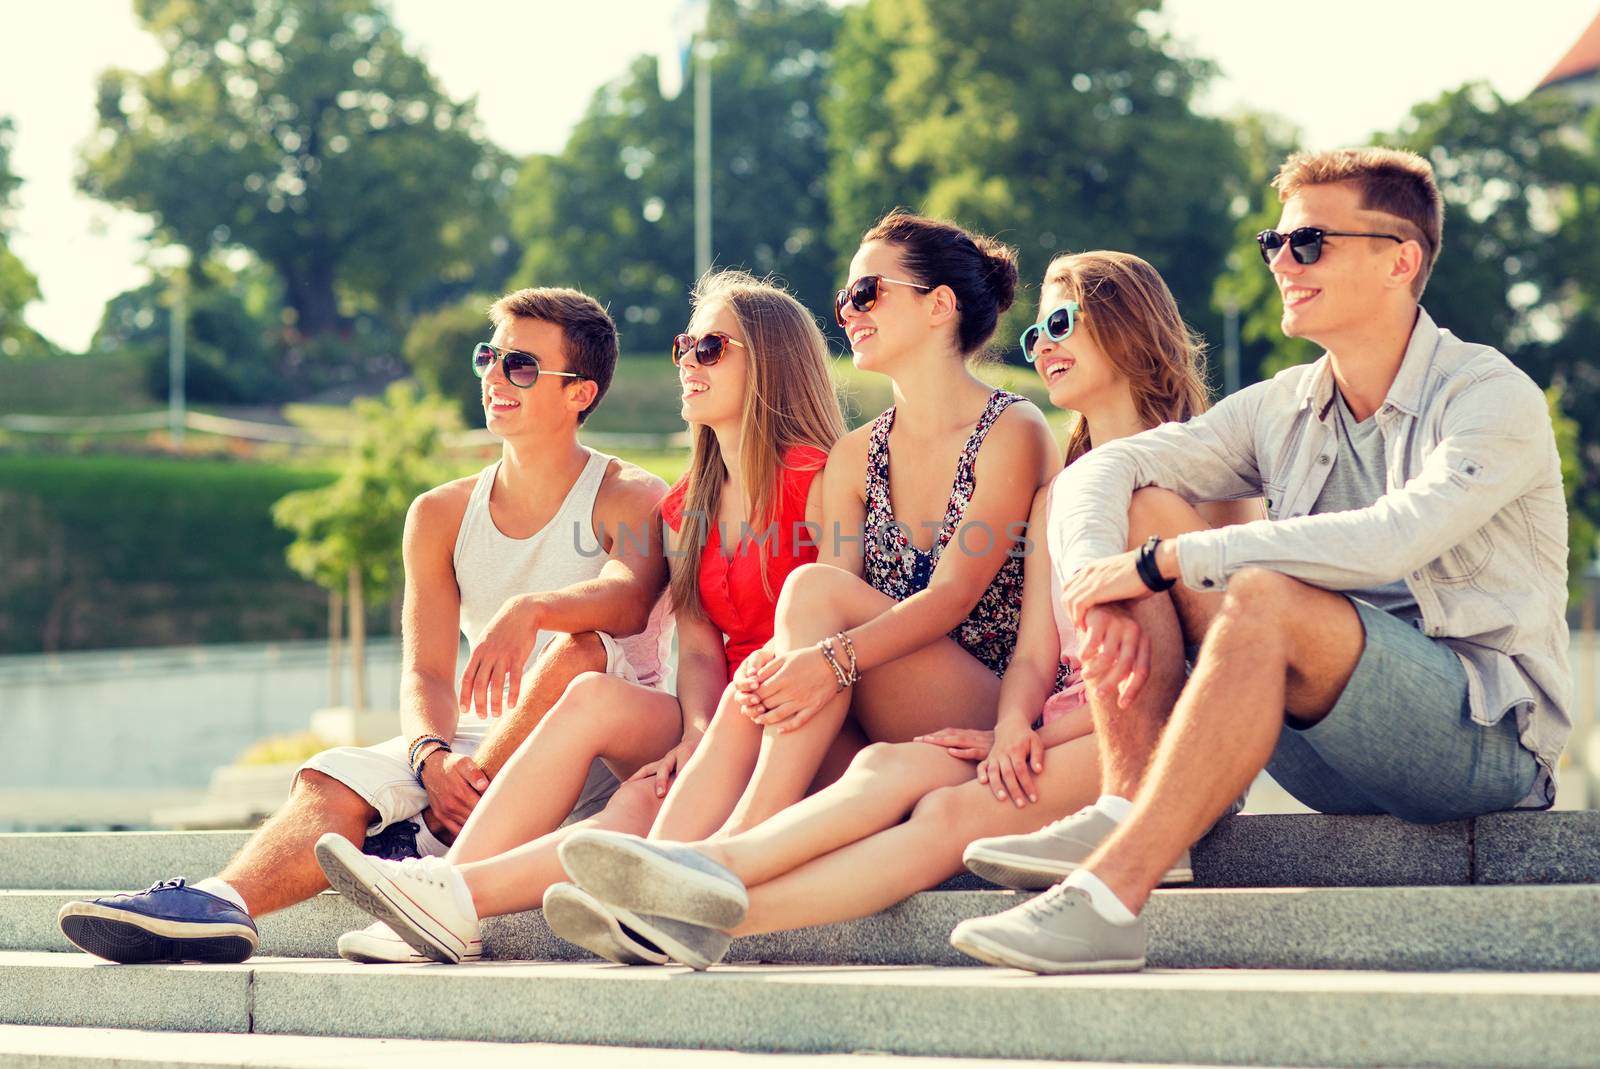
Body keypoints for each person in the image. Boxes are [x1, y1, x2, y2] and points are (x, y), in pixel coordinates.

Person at [948, 147, 1570, 974]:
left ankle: (1106, 901)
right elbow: (1105, 466)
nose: (1283, 261)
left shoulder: (1489, 396)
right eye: (1272, 244)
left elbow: (1392, 536)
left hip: (1477, 741)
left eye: (1308, 242)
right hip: (1323, 735)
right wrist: (1100, 578)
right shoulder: (1285, 403)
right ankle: (1130, 805)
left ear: (1401, 260)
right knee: (1142, 502)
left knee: (1253, 589)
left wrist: (1171, 560)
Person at [550, 250, 1258, 970]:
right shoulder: (1063, 496)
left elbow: (1233, 655)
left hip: (1155, 753)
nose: (1041, 343)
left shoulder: (1201, 482)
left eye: (1060, 322)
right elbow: (1037, 656)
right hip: (1042, 725)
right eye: (1034, 332)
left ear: (1128, 323)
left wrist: (1030, 726)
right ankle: (681, 887)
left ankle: (698, 893)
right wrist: (1015, 722)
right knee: (884, 763)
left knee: (944, 807)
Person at [57, 287, 674, 965]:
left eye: (520, 367)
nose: (495, 378)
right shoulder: (439, 514)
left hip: (593, 748)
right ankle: (218, 903)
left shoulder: (631, 495)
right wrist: (430, 757)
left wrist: (533, 609)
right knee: (333, 779)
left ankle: (430, 839)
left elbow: (629, 599)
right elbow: (428, 670)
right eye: (488, 358)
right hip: (484, 741)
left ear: (579, 393)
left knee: (575, 651)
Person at [309, 270, 845, 965]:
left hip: (807, 718)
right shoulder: (686, 506)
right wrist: (699, 737)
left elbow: (833, 621)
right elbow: (704, 655)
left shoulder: (823, 477)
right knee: (593, 699)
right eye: (685, 346)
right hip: (717, 718)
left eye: (710, 348)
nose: (686, 361)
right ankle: (439, 893)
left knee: (626, 803)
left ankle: (455, 889)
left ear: (770, 361)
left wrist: (714, 744)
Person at [628, 210, 1063, 861]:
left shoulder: (1012, 430)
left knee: (807, 602)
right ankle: (659, 865)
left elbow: (952, 595)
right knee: (771, 666)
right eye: (844, 298)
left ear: (939, 305)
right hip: (879, 702)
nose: (848, 311)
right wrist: (781, 669)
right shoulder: (857, 455)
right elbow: (830, 596)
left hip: (993, 704)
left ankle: (727, 849)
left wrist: (825, 662)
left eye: (867, 292)